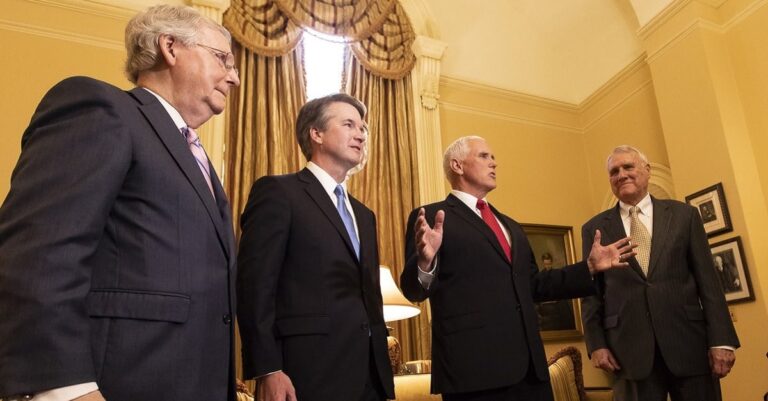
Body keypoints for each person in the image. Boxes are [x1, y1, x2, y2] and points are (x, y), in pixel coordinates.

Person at [0, 5, 240, 401]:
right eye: (222, 58)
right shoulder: (101, 108)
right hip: (119, 383)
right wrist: (67, 388)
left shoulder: (195, 154)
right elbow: (37, 255)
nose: (233, 76)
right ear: (170, 47)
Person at [400, 135, 635, 401]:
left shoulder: (509, 225)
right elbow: (413, 290)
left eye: (493, 157)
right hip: (474, 374)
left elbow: (534, 284)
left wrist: (589, 267)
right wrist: (425, 262)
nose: (494, 163)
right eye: (484, 156)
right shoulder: (432, 217)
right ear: (457, 165)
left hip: (531, 372)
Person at [236, 94, 395, 401]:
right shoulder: (279, 192)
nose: (361, 134)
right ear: (316, 133)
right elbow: (254, 285)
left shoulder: (365, 215)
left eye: (363, 127)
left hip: (369, 377)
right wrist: (267, 369)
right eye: (348, 124)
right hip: (305, 373)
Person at [581, 145, 740, 401]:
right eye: (614, 171)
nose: (621, 174)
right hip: (627, 354)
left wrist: (722, 340)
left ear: (647, 170)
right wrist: (596, 344)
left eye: (628, 167)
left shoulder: (684, 216)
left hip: (689, 345)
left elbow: (708, 281)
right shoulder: (594, 228)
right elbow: (591, 293)